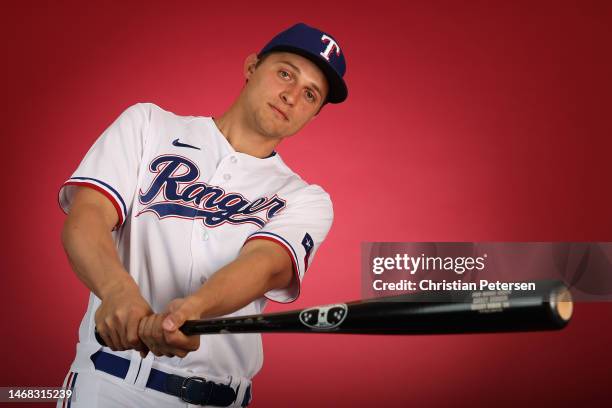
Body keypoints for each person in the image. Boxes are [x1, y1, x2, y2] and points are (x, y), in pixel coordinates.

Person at [57, 22, 348, 407]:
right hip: (112, 385)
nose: (291, 96)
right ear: (250, 68)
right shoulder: (148, 125)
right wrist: (116, 291)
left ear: (313, 115)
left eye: (310, 94)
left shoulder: (304, 198)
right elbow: (87, 216)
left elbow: (264, 265)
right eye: (285, 73)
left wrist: (193, 310)